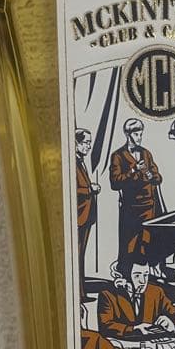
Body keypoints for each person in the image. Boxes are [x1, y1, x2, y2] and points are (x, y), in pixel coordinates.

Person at [109, 118, 163, 262]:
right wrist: (134, 170)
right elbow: (115, 182)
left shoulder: (146, 154)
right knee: (129, 243)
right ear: (127, 134)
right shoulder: (118, 156)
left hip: (149, 205)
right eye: (136, 134)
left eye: (141, 134)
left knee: (148, 241)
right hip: (131, 207)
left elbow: (158, 178)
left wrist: (151, 175)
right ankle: (125, 273)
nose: (139, 137)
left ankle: (149, 272)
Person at [97, 258, 175, 339]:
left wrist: (173, 326)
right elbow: (105, 326)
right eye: (137, 276)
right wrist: (133, 329)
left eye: (145, 275)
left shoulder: (156, 292)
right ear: (125, 277)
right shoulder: (108, 295)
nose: (143, 281)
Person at [75, 128, 100, 300]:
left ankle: (81, 293)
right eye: (86, 143)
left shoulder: (80, 161)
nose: (89, 146)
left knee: (81, 255)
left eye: (90, 143)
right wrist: (90, 189)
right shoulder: (73, 162)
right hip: (79, 216)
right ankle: (79, 294)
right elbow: (71, 188)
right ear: (76, 143)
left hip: (85, 216)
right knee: (77, 255)